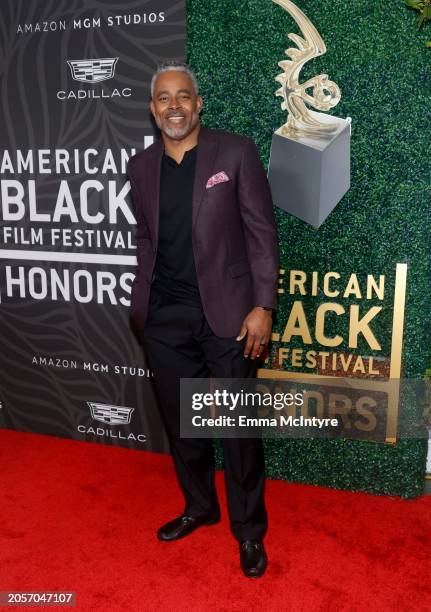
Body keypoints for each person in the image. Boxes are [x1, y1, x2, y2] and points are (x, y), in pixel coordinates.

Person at [127, 61, 279, 578]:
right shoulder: (141, 167)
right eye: (164, 98)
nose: (174, 106)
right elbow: (147, 236)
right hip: (164, 315)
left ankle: (249, 531)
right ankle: (200, 506)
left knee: (237, 430)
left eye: (183, 96)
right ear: (153, 109)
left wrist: (263, 306)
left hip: (231, 314)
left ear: (198, 103)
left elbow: (261, 231)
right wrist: (140, 299)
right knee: (181, 424)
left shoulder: (234, 152)